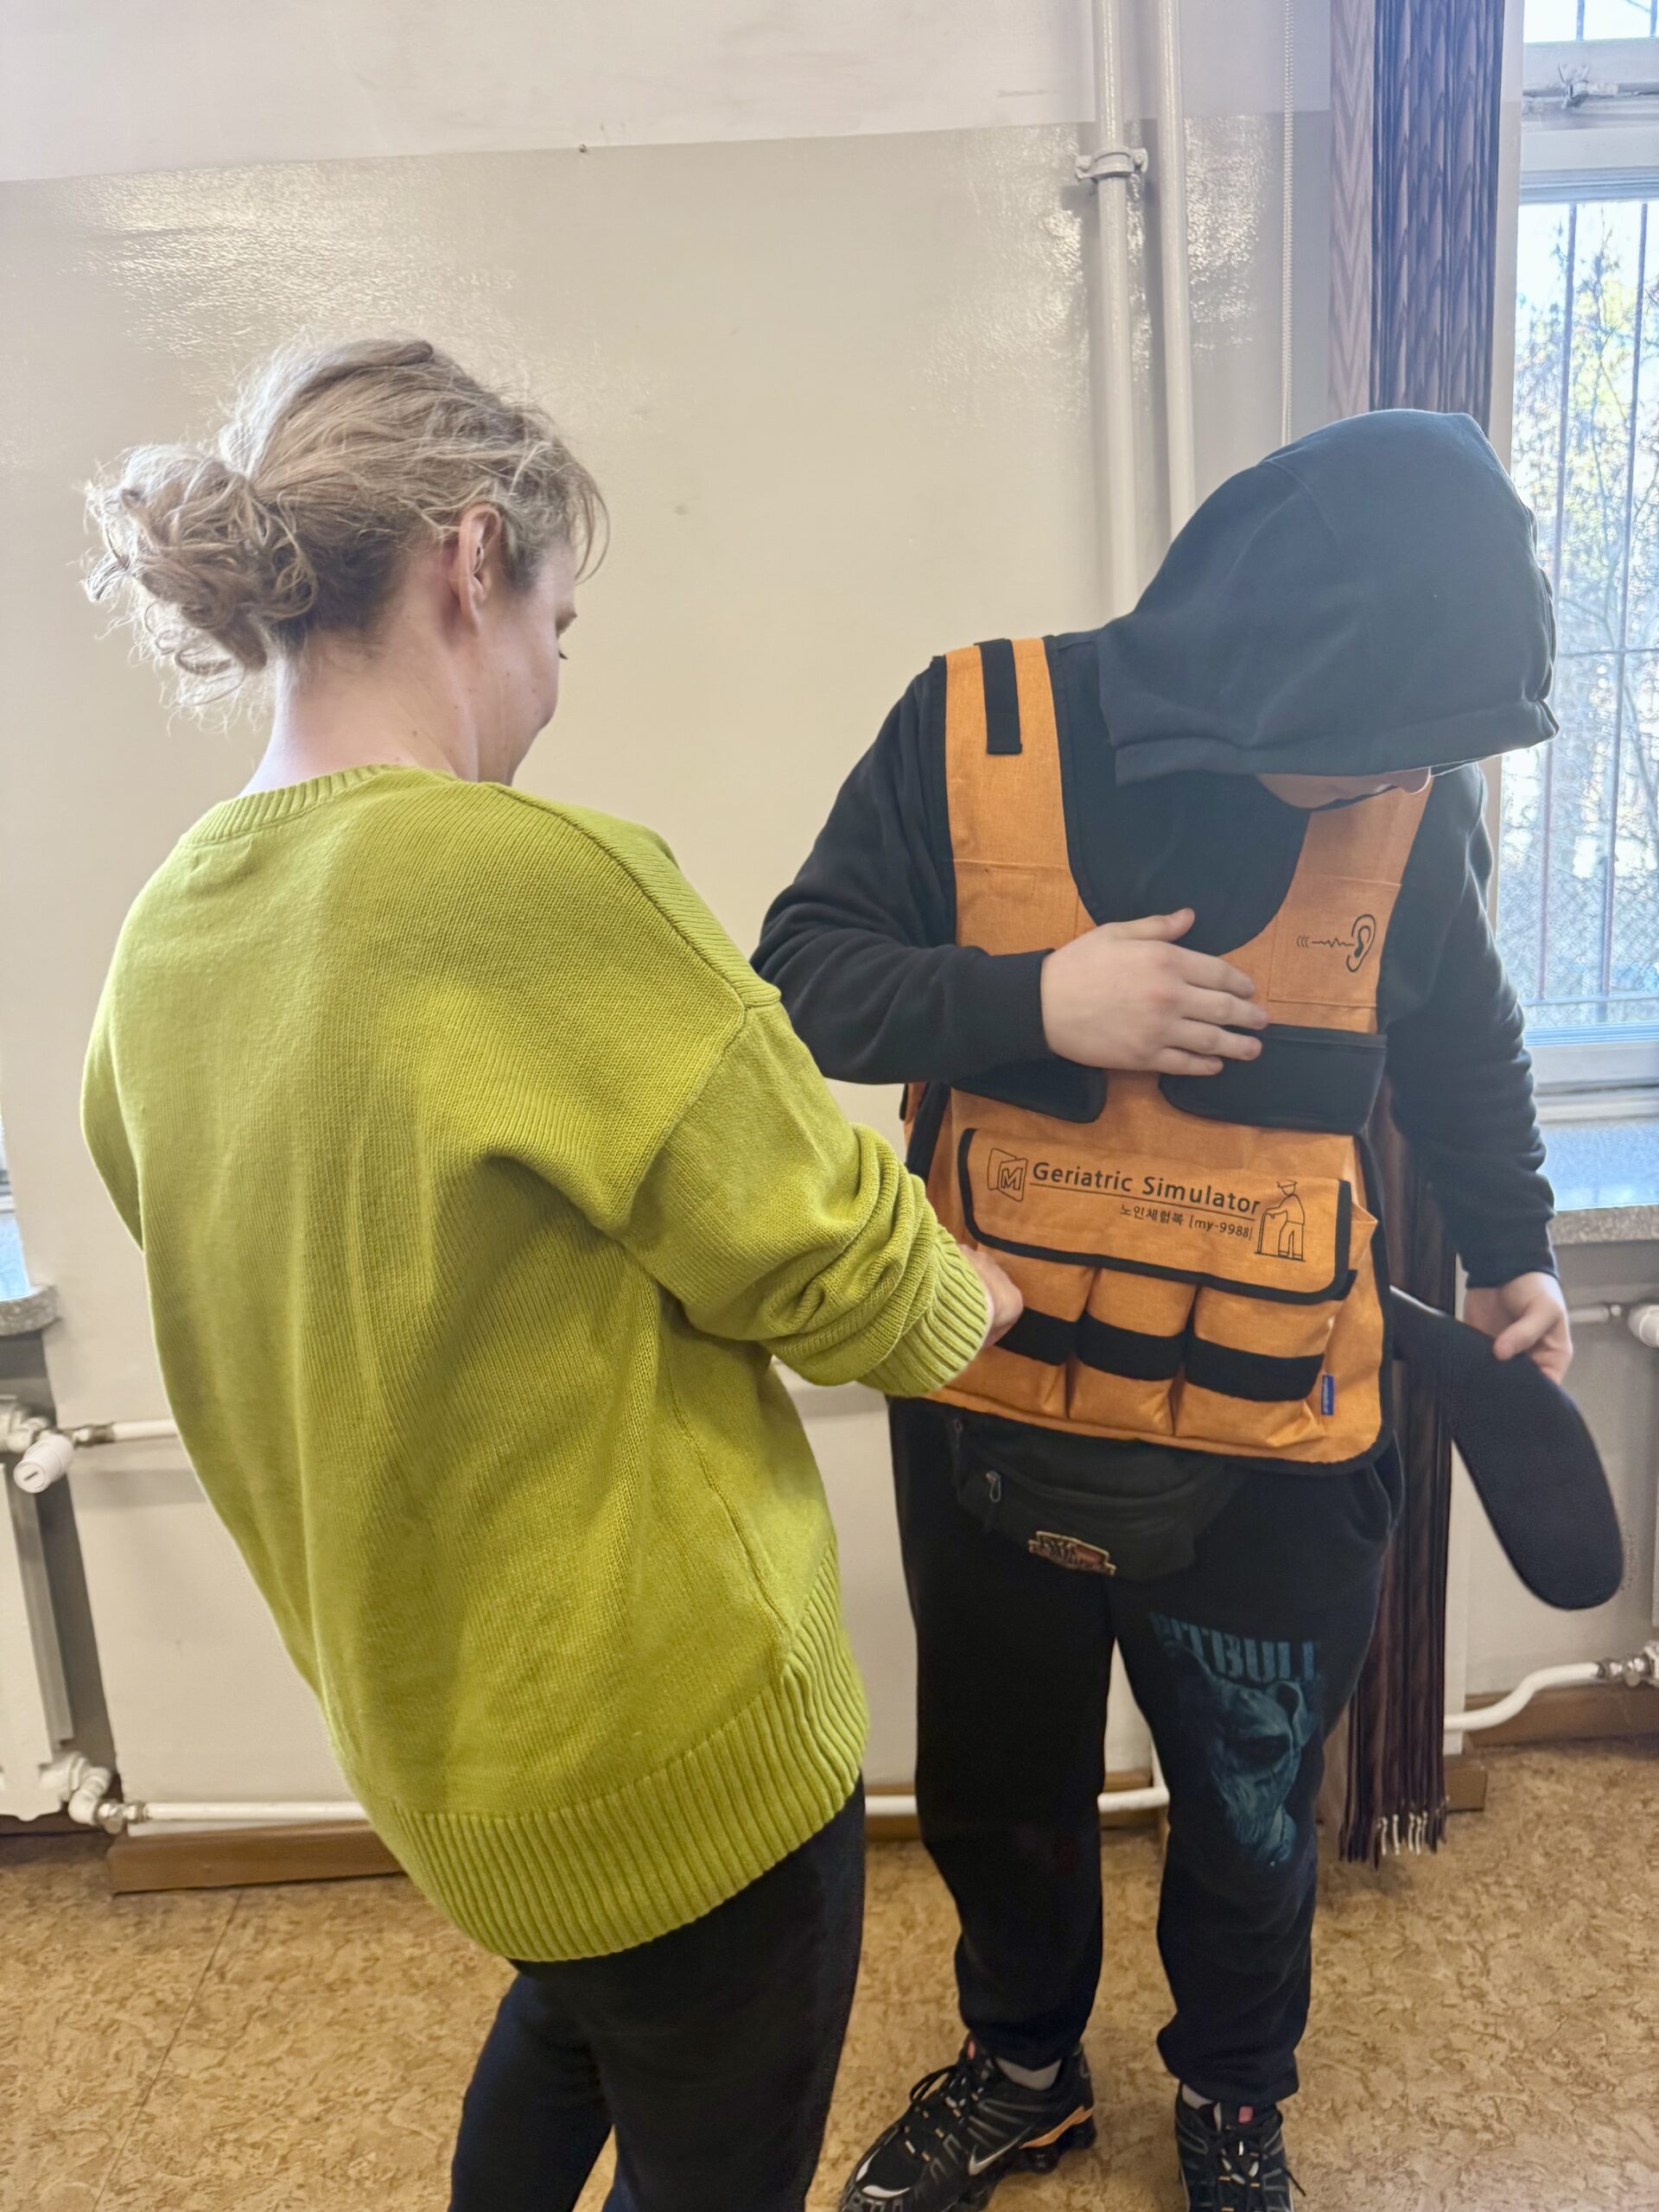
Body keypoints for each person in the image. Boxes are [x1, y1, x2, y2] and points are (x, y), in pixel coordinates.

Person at [78, 336, 1023, 2212]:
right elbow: (827, 1254)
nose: (556, 681)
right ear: (471, 557)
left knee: (578, 2009)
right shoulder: (537, 879)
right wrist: (962, 1296)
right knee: (697, 2106)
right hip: (681, 1748)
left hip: (444, 1750)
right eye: (560, 623)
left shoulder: (161, 943)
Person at [755, 410, 1567, 2211]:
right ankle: (1023, 2066)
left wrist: (1515, 1248)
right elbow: (799, 979)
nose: (1398, 777)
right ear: (1269, 654)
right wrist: (1036, 1001)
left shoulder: (1407, 787)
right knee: (1000, 1791)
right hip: (992, 1395)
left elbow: (1463, 1042)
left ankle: (1235, 2096)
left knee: (1254, 1804)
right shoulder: (969, 726)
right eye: (1376, 743)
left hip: (1282, 1423)